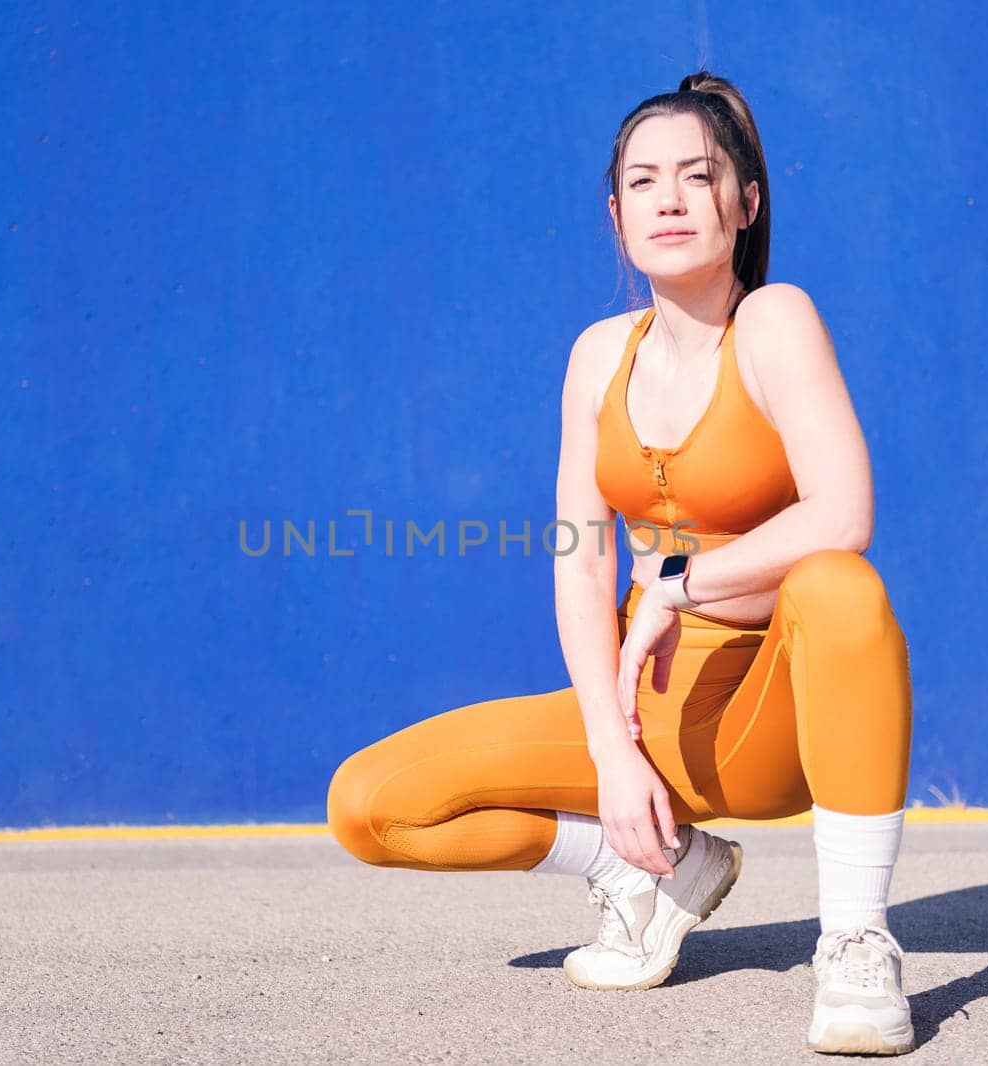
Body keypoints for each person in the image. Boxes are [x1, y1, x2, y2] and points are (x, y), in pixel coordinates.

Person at [326, 70, 915, 1057]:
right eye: (643, 182)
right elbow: (577, 560)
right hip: (651, 711)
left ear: (745, 203)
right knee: (373, 806)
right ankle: (645, 869)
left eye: (697, 175)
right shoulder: (597, 354)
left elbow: (843, 512)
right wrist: (610, 753)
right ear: (615, 212)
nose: (671, 199)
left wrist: (679, 585)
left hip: (771, 715)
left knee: (840, 587)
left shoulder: (773, 323)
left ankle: (855, 940)